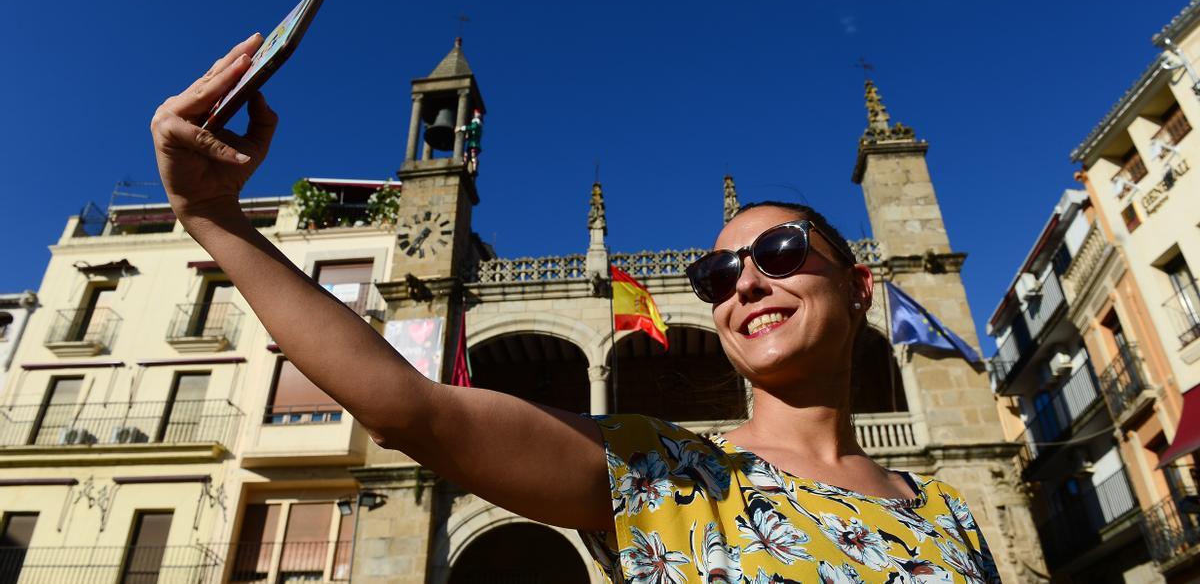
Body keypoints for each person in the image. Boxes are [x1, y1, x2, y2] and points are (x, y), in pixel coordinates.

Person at [151, 35, 1001, 583]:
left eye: (778, 254)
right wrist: (215, 221)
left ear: (859, 290)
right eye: (714, 275)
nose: (743, 284)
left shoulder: (951, 509)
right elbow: (406, 406)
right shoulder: (667, 473)